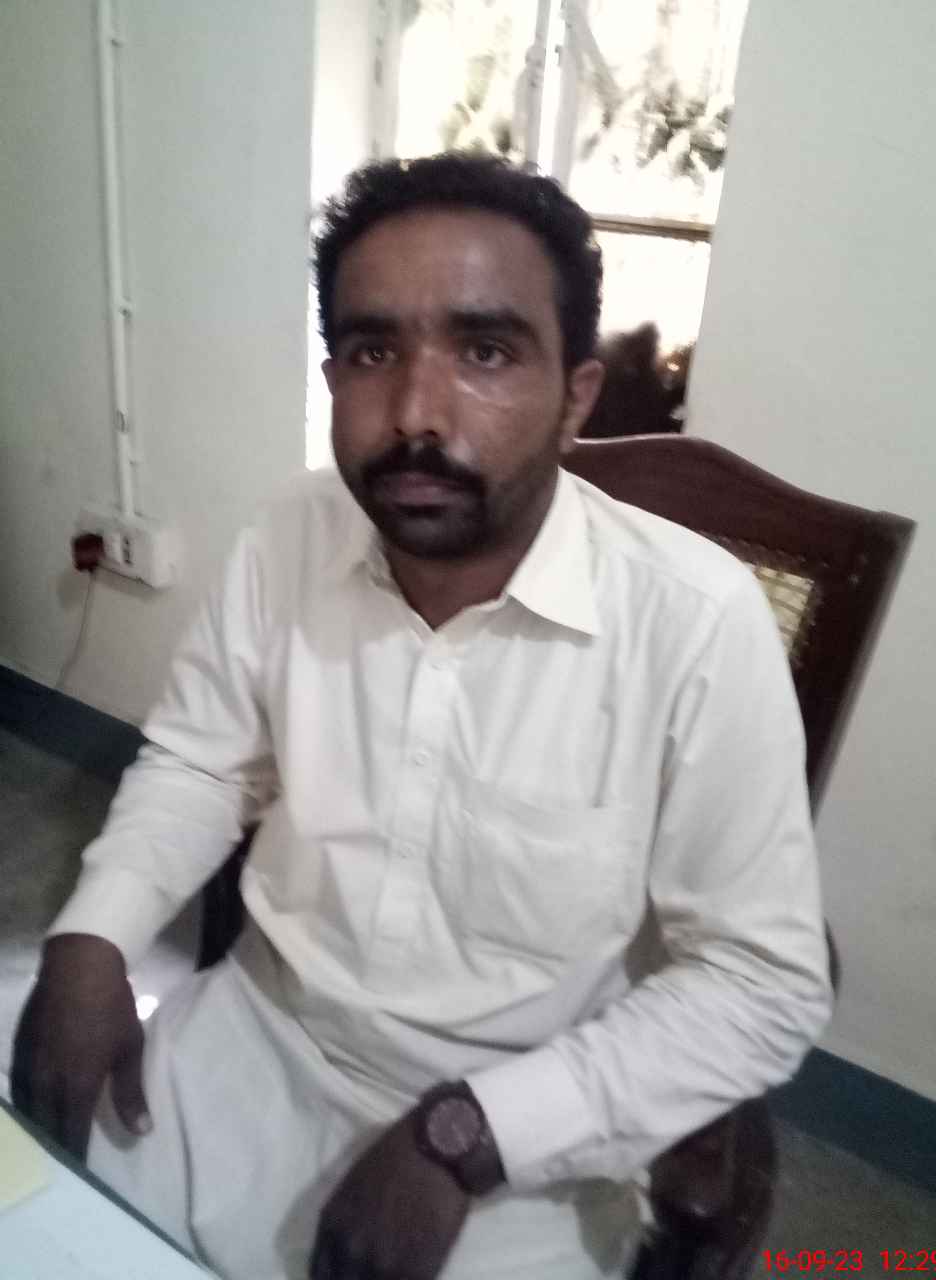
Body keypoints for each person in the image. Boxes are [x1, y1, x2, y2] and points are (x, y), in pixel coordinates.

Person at [12, 153, 832, 1280]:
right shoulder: (289, 535)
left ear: (576, 395)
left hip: (531, 1148)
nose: (413, 413)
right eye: (372, 351)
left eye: (485, 351)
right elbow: (204, 762)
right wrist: (91, 936)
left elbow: (761, 983)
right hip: (247, 1052)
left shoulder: (695, 622)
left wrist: (473, 1136)